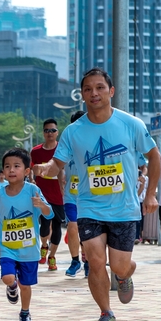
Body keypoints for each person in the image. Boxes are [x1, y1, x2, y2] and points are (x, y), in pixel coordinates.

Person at [35, 67, 160, 321]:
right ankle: (106, 313)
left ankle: (126, 274)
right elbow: (58, 164)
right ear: (82, 95)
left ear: (111, 91)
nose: (94, 93)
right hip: (89, 207)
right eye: (88, 89)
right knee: (94, 261)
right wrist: (45, 170)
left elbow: (155, 156)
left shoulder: (131, 124)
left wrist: (150, 195)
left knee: (119, 266)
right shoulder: (73, 132)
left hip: (124, 210)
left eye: (100, 87)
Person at [0, 148, 53, 321]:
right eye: (7, 166)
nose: (11, 170)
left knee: (26, 285)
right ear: (3, 171)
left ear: (27, 171)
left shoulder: (33, 190)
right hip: (8, 246)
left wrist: (41, 205)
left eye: (16, 166)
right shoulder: (0, 194)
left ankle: (25, 313)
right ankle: (11, 286)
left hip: (29, 248)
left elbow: (49, 213)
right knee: (7, 277)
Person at [30, 118, 66, 271]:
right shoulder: (36, 151)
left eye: (53, 130)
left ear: (57, 133)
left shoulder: (62, 150)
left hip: (59, 195)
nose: (50, 133)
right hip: (42, 195)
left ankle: (52, 256)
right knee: (44, 225)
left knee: (57, 226)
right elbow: (31, 170)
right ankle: (44, 245)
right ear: (43, 133)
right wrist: (32, 181)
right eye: (47, 130)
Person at [63, 110, 89, 278]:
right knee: (73, 227)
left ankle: (88, 262)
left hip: (90, 197)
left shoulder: (92, 143)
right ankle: (75, 261)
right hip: (71, 196)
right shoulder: (66, 144)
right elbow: (57, 165)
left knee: (88, 232)